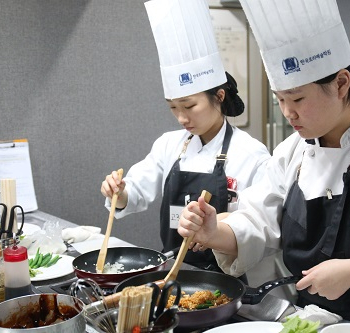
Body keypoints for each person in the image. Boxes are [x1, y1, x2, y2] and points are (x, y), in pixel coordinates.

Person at [178, 0, 350, 332]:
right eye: (280, 99)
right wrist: (215, 232)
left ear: (341, 84)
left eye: (298, 99)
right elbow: (259, 220)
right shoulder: (291, 152)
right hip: (317, 323)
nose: (287, 113)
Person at [101, 0, 270, 273]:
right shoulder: (169, 145)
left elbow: (261, 225)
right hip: (173, 272)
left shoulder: (251, 154)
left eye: (189, 106)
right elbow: (136, 191)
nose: (182, 118)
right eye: (173, 108)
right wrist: (119, 193)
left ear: (219, 96)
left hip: (231, 277)